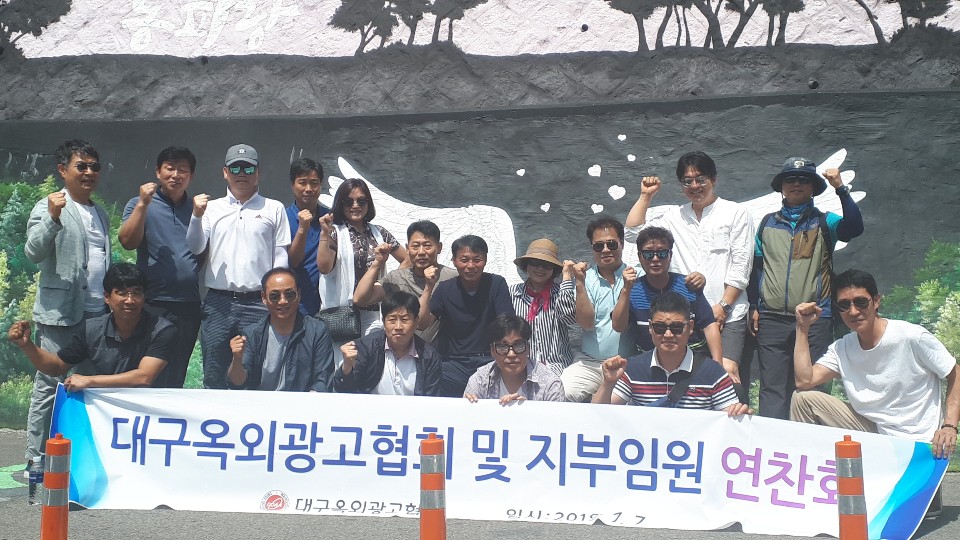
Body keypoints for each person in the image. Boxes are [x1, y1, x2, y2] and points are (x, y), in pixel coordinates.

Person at [624, 151, 754, 396]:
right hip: (687, 317)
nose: (695, 186)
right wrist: (645, 196)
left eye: (701, 179)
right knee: (687, 382)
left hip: (730, 312)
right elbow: (632, 233)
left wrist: (723, 306)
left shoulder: (736, 213)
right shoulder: (674, 217)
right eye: (687, 181)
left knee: (726, 373)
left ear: (713, 179)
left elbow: (741, 267)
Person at [791, 269, 959, 455]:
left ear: (876, 301)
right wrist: (802, 328)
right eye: (844, 305)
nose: (853, 311)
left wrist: (949, 426)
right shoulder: (843, 348)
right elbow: (805, 380)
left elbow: (956, 374)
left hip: (918, 442)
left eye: (861, 302)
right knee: (802, 399)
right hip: (873, 433)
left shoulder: (912, 337)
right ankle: (807, 464)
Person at [748, 157, 864, 419]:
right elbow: (757, 267)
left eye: (804, 179)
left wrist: (840, 188)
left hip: (814, 318)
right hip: (772, 319)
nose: (796, 184)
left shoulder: (824, 222)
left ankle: (811, 442)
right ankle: (772, 441)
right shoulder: (767, 223)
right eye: (790, 179)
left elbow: (854, 228)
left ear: (813, 187)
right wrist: (755, 305)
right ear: (781, 186)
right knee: (772, 388)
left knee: (812, 389)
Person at [23, 139, 110, 466]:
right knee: (49, 386)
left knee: (86, 386)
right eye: (81, 166)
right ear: (62, 169)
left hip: (97, 314)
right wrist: (52, 217)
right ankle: (35, 459)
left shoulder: (100, 212)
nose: (89, 172)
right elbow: (33, 252)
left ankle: (78, 457)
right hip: (60, 314)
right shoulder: (49, 205)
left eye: (94, 167)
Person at [186, 144, 291, 389]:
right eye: (235, 168)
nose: (241, 173)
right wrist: (196, 216)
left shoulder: (273, 208)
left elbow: (280, 257)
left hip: (258, 302)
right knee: (214, 370)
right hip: (218, 302)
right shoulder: (211, 208)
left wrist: (276, 297)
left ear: (258, 173)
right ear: (225, 172)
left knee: (256, 369)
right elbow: (195, 247)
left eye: (248, 168)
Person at [8, 263, 175, 390]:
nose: (130, 300)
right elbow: (56, 366)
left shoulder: (162, 330)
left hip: (149, 411)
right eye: (122, 293)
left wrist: (90, 381)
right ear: (106, 297)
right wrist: (27, 345)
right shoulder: (91, 329)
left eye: (136, 293)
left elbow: (144, 377)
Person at [119, 146, 202, 389]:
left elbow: (203, 252)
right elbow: (127, 242)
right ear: (158, 172)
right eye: (170, 168)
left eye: (183, 170)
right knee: (145, 373)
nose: (176, 175)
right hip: (152, 303)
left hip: (188, 304)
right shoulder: (139, 203)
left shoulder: (197, 209)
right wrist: (143, 204)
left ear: (191, 176)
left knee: (177, 372)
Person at [593, 291, 749, 416]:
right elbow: (597, 416)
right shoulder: (632, 369)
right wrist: (608, 383)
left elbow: (731, 420)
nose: (668, 335)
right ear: (650, 327)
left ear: (690, 327)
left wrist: (738, 414)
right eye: (660, 328)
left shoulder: (713, 372)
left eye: (676, 328)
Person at [316, 178, 407, 350]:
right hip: (342, 313)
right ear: (340, 204)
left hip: (373, 312)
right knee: (344, 361)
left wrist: (387, 285)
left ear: (368, 203)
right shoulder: (335, 232)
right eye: (348, 201)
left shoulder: (379, 233)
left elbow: (407, 260)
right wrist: (324, 234)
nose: (355, 205)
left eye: (361, 201)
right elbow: (324, 268)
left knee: (372, 358)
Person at [612, 227, 723, 367]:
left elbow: (709, 325)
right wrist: (626, 290)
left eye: (662, 253)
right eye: (648, 254)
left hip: (694, 359)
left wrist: (718, 364)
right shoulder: (632, 290)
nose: (655, 259)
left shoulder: (688, 286)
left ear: (670, 255)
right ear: (639, 257)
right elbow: (618, 326)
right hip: (650, 363)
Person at [418, 235, 513, 397]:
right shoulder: (445, 288)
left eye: (477, 260)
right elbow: (421, 324)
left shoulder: (496, 284)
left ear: (485, 260)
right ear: (454, 261)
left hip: (489, 360)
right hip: (453, 363)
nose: (470, 266)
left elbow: (506, 325)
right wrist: (428, 287)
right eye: (464, 260)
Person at [559, 217, 637, 402]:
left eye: (611, 244)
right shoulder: (585, 277)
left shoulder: (637, 275)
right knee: (563, 391)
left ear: (622, 243)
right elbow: (586, 324)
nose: (606, 250)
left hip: (629, 363)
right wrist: (579, 283)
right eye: (599, 246)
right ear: (592, 248)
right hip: (590, 363)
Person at [226, 268, 334, 392]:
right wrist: (237, 359)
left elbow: (323, 380)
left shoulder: (317, 331)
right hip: (260, 402)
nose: (283, 301)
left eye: (289, 294)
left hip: (301, 401)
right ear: (264, 298)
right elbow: (238, 384)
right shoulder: (252, 334)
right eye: (274, 296)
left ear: (299, 294)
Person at [352, 220, 457, 344]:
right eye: (415, 246)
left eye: (427, 246)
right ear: (407, 249)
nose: (421, 252)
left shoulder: (453, 277)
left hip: (440, 352)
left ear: (439, 247)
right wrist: (377, 263)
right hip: (400, 351)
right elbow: (360, 299)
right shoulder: (396, 278)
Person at [334, 291, 443, 396]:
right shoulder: (365, 348)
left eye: (404, 319)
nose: (398, 327)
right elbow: (342, 389)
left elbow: (431, 399)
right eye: (392, 320)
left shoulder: (429, 357)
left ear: (416, 321)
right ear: (383, 322)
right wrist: (347, 367)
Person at [464, 314, 566, 404]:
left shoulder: (550, 385)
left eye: (519, 345)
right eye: (503, 347)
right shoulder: (479, 380)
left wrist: (526, 411)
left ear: (528, 348)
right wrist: (467, 407)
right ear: (492, 351)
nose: (511, 354)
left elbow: (557, 420)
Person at [510, 239, 577, 375]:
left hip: (557, 366)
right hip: (523, 366)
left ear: (554, 269)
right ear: (526, 266)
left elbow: (569, 318)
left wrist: (567, 277)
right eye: (535, 263)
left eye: (547, 265)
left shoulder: (562, 292)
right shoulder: (512, 293)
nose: (540, 268)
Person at [285, 158, 331, 316]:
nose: (309, 189)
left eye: (314, 183)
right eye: (302, 182)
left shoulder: (331, 217)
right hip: (296, 305)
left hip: (329, 305)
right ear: (292, 185)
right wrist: (302, 229)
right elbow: (293, 262)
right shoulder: (283, 218)